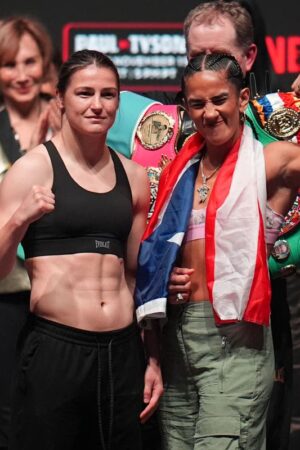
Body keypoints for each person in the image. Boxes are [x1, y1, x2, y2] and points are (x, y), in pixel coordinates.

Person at [135, 53, 300, 450]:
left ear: (243, 99)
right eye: (197, 103)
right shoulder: (179, 171)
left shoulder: (271, 161)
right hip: (177, 343)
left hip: (236, 344)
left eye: (219, 100)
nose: (209, 113)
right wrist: (166, 278)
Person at [0, 49, 163, 450]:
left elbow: (134, 275)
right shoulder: (32, 169)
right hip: (57, 351)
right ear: (60, 98)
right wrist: (20, 218)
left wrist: (154, 358)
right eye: (84, 93)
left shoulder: (135, 176)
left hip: (123, 353)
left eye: (108, 94)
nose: (97, 104)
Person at [0, 16, 61, 450]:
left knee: (56, 415)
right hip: (5, 297)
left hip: (60, 298)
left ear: (45, 65)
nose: (21, 75)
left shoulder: (68, 124)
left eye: (29, 62)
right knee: (7, 416)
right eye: (8, 64)